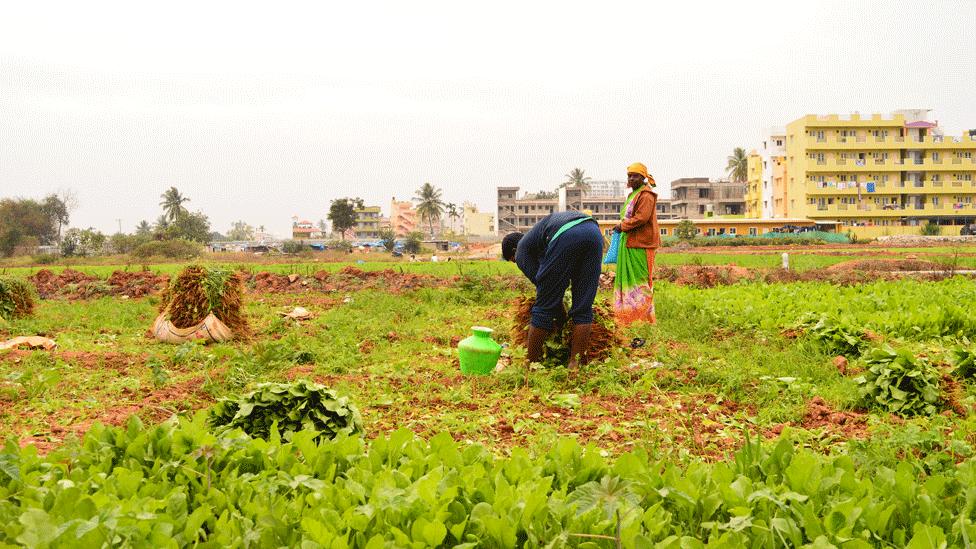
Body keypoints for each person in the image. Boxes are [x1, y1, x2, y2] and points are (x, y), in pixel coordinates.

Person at [502, 210, 603, 371]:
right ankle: (575, 365)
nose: (518, 263)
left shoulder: (521, 250)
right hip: (594, 232)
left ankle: (530, 365)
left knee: (543, 308)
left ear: (514, 252)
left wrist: (561, 319)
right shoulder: (539, 241)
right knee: (583, 308)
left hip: (567, 234)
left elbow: (547, 293)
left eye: (513, 261)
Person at [612, 162, 660, 325]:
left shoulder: (646, 195)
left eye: (635, 176)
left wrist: (622, 226)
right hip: (630, 242)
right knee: (628, 279)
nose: (631, 178)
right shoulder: (632, 195)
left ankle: (644, 318)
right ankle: (628, 316)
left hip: (642, 244)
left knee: (640, 280)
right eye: (629, 176)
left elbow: (642, 218)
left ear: (643, 177)